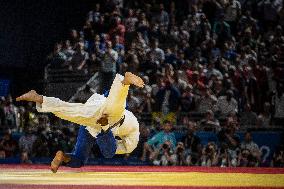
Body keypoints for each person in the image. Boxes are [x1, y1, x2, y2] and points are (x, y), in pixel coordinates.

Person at [16, 72, 145, 173]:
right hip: (111, 116)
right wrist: (106, 128)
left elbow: (107, 142)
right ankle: (125, 82)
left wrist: (104, 129)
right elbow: (109, 150)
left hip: (94, 121)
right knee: (109, 150)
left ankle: (63, 157)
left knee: (78, 158)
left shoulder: (130, 129)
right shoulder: (133, 135)